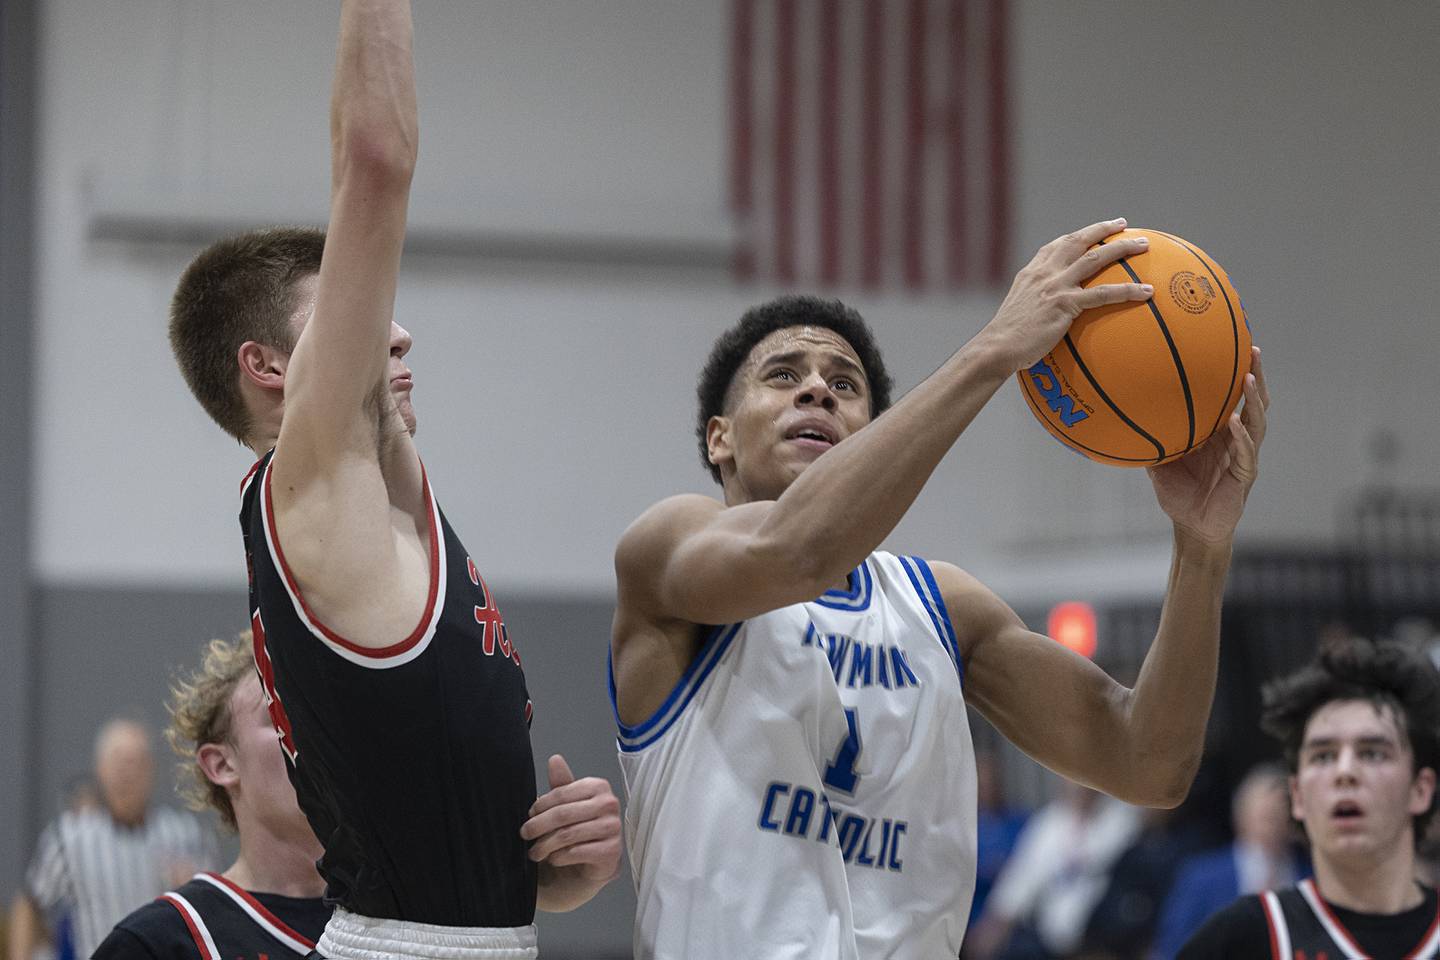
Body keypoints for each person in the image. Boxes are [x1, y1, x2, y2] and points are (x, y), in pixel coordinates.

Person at [609, 225, 1270, 959]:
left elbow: (1148, 764)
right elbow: (795, 553)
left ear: (872, 435)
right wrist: (994, 349)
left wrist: (1201, 548)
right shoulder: (668, 549)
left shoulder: (943, 607)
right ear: (720, 438)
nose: (818, 389)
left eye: (845, 385)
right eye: (783, 375)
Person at [165, 2, 621, 957]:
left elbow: (412, 832)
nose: (399, 332)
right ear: (270, 368)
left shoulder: (385, 503)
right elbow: (374, 159)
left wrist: (546, 876)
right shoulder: (311, 477)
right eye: (359, 316)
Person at [1178, 637, 1440, 958]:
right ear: (1297, 795)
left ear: (1420, 790)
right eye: (1323, 756)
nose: (1345, 771)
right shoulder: (1240, 937)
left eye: (1372, 753)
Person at [93, 630, 330, 959]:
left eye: (320, 718)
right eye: (281, 714)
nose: (311, 735)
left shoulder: (387, 923)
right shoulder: (153, 943)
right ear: (221, 764)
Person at [8, 719, 215, 959]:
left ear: (152, 770)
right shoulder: (70, 836)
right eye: (117, 762)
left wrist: (193, 892)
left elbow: (215, 908)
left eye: (136, 762)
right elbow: (30, 903)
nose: (127, 774)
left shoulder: (186, 833)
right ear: (100, 769)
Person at [966, 781, 1141, 959]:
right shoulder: (1048, 822)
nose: (1080, 787)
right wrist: (995, 923)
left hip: (1103, 936)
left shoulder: (1123, 819)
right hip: (1046, 940)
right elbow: (1021, 878)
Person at [1152, 762, 1303, 958]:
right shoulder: (1202, 876)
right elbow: (1172, 946)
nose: (1274, 822)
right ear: (1241, 815)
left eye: (1281, 813)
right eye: (1266, 815)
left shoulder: (1312, 876)